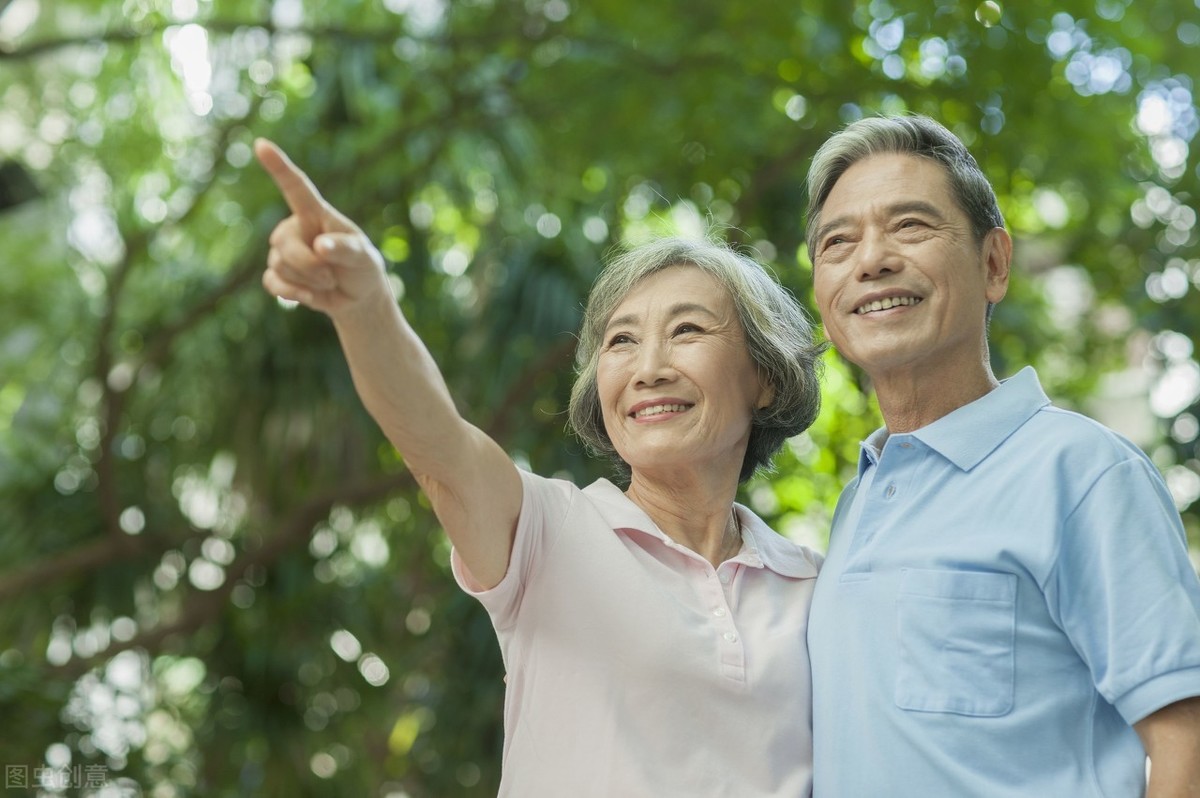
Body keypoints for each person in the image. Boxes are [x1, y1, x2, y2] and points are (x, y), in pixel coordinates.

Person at [253, 138, 826, 797]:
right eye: (622, 341)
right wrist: (365, 306)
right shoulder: (549, 531)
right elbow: (438, 446)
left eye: (688, 330)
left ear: (765, 379)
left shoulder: (816, 587)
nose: (649, 368)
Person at [804, 113, 1200, 797]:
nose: (871, 260)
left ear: (993, 264)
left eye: (910, 227)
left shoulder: (1082, 472)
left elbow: (1186, 738)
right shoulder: (860, 496)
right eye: (838, 242)